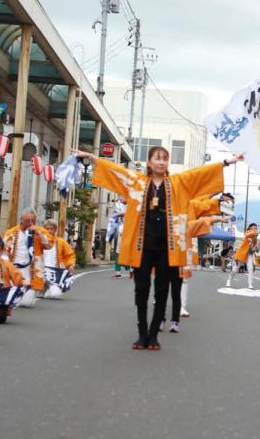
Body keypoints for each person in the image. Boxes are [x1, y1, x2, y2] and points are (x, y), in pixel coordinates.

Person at [74, 144, 240, 349]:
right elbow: (116, 171)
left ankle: (153, 336)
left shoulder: (177, 183)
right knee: (141, 290)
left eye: (165, 158)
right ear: (149, 162)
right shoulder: (137, 182)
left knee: (162, 291)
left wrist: (226, 162)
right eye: (157, 158)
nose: (161, 162)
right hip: (142, 246)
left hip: (167, 248)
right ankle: (141, 334)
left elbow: (198, 174)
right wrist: (92, 157)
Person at [2, 209, 54, 306]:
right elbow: (3, 250)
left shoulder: (40, 231)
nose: (30, 223)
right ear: (21, 220)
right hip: (14, 268)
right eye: (27, 220)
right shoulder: (11, 232)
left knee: (27, 301)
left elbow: (49, 245)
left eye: (33, 220)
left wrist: (38, 233)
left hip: (30, 268)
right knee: (9, 297)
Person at [0, 235, 28, 324]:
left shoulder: (6, 264)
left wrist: (23, 282)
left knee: (0, 318)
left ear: (2, 251)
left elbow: (17, 276)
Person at [41, 219, 77, 298]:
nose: (49, 231)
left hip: (56, 268)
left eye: (51, 229)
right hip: (42, 267)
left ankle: (51, 288)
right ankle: (44, 289)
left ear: (55, 230)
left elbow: (70, 255)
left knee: (55, 292)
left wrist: (71, 264)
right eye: (47, 229)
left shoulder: (61, 242)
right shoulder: (39, 241)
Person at [228, 222, 259, 290]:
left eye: (256, 228)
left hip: (249, 255)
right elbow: (251, 234)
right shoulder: (247, 233)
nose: (255, 229)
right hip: (242, 254)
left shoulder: (255, 239)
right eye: (254, 228)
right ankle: (229, 279)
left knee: (250, 269)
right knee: (236, 269)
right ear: (250, 228)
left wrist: (254, 249)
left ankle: (250, 284)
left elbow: (255, 248)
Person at [106, 200, 126, 278]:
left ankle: (131, 270)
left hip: (127, 238)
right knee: (118, 255)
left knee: (127, 255)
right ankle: (118, 273)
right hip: (120, 239)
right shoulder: (120, 223)